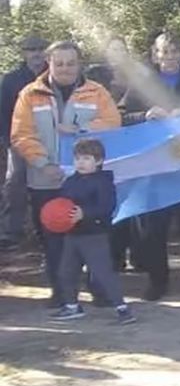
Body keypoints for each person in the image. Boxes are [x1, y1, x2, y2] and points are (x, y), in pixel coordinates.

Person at [11, 41, 123, 305]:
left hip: (87, 180)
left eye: (71, 63)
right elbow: (21, 134)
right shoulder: (30, 94)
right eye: (59, 63)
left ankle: (100, 291)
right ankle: (62, 294)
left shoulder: (97, 92)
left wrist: (82, 129)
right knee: (54, 241)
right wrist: (43, 164)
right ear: (48, 63)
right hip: (46, 180)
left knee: (93, 238)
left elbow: (112, 123)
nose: (65, 68)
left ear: (79, 64)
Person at [121, 33, 180, 300]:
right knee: (154, 229)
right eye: (164, 51)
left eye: (174, 51)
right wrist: (145, 115)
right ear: (155, 55)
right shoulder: (139, 88)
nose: (169, 56)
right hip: (154, 169)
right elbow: (121, 119)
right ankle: (157, 282)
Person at [49, 137, 132, 324]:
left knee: (102, 273)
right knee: (65, 272)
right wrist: (57, 218)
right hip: (72, 235)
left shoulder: (104, 182)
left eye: (86, 158)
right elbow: (62, 205)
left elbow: (106, 207)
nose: (81, 163)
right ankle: (72, 306)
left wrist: (84, 213)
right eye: (78, 159)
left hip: (94, 235)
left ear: (99, 161)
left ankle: (122, 309)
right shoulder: (70, 181)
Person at [0, 34, 48, 246]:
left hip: (49, 140)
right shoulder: (11, 79)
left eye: (40, 48)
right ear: (24, 53)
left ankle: (46, 229)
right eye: (31, 49)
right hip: (19, 139)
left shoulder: (55, 74)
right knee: (16, 182)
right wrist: (8, 140)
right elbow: (3, 112)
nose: (36, 53)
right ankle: (12, 231)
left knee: (47, 184)